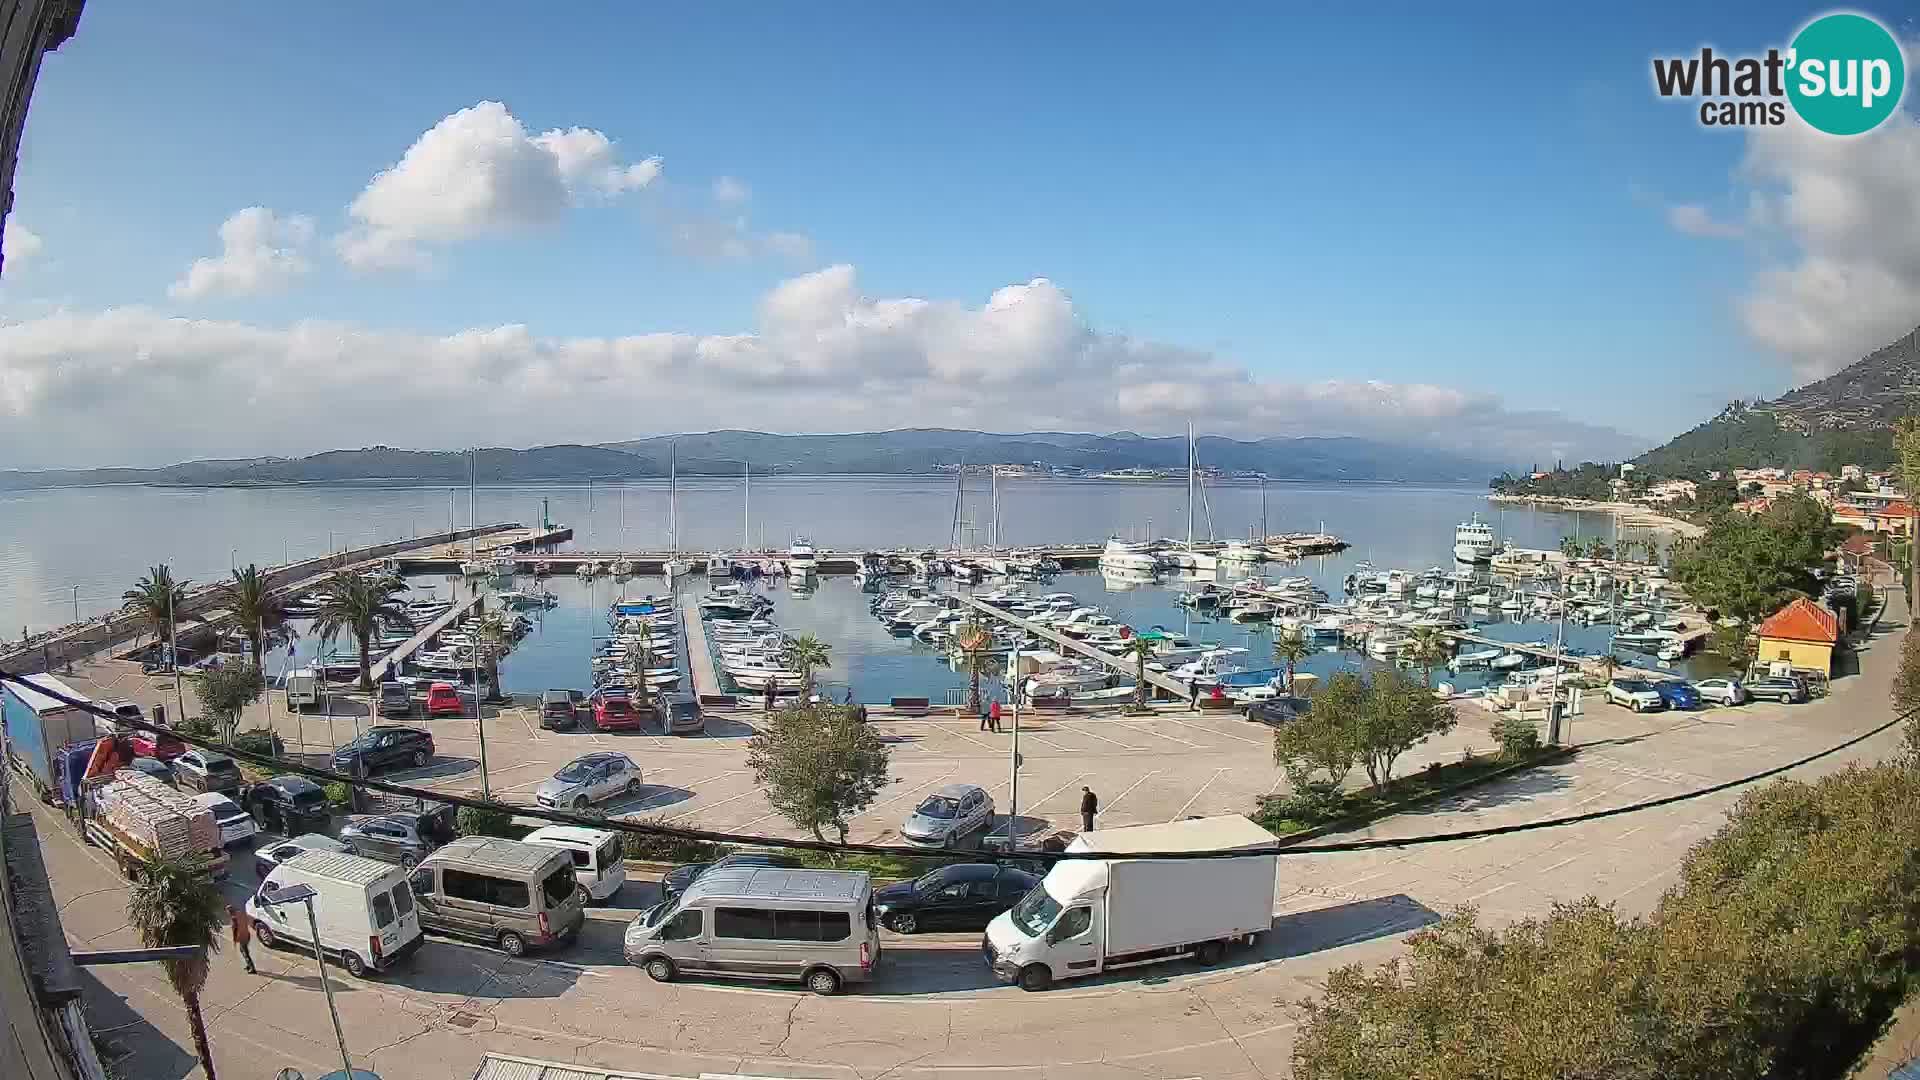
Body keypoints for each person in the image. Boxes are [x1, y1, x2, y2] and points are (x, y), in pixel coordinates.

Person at [229, 905, 256, 974]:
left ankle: (252, 969)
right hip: (247, 935)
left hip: (242, 937)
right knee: (243, 950)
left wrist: (234, 940)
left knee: (245, 952)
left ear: (230, 911)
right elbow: (248, 919)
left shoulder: (234, 918)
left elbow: (235, 930)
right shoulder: (241, 914)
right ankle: (248, 965)